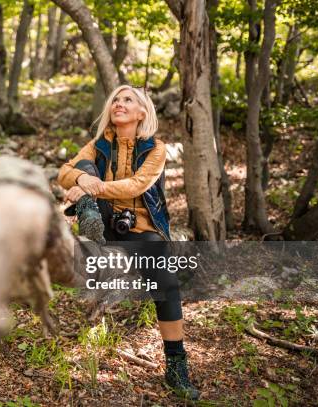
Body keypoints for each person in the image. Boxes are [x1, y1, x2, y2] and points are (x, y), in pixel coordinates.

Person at [57, 85, 200, 400]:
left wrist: (89, 189)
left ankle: (176, 367)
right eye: (115, 100)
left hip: (141, 228)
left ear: (142, 113)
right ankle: (90, 219)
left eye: (128, 100)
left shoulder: (156, 148)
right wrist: (83, 181)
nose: (119, 104)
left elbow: (139, 184)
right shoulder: (99, 144)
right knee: (82, 167)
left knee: (167, 282)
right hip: (105, 220)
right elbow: (64, 172)